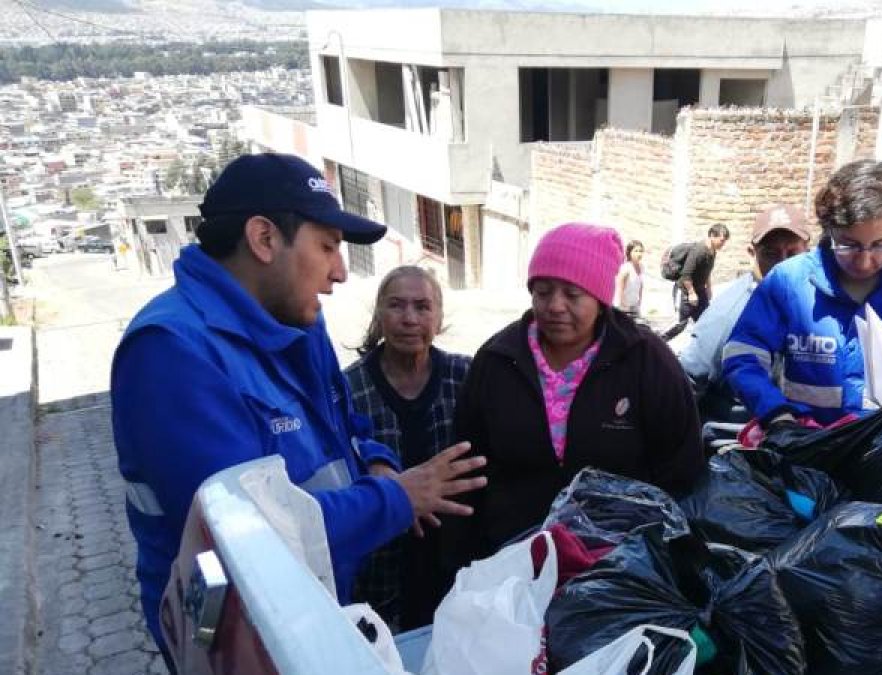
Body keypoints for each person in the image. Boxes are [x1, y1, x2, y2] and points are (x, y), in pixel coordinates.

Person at [110, 153, 486, 667]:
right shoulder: (172, 352)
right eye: (328, 247)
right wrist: (397, 498)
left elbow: (344, 427)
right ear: (264, 239)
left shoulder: (298, 321)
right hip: (238, 633)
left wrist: (374, 461)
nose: (339, 272)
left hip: (319, 599)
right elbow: (249, 542)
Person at [448, 221, 705, 567]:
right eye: (542, 291)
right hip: (510, 564)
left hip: (617, 565)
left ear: (600, 299)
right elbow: (466, 470)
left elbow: (681, 468)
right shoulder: (497, 360)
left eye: (572, 294)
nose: (554, 306)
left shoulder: (645, 360)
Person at [723, 159, 882, 432]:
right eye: (848, 245)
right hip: (810, 445)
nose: (864, 262)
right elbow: (743, 354)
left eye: (880, 245)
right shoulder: (789, 282)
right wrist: (777, 415)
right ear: (828, 231)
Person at [344, 265, 472, 631]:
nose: (409, 318)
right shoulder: (348, 388)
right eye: (396, 306)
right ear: (379, 314)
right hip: (378, 561)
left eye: (422, 307)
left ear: (439, 316)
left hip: (452, 555)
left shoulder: (465, 376)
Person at [680, 204, 811, 423]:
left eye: (792, 254)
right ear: (752, 254)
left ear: (807, 252)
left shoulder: (814, 302)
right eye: (771, 254)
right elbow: (685, 383)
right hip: (738, 442)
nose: (783, 264)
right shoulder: (729, 313)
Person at [660, 223, 730, 341]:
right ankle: (657, 342)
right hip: (685, 292)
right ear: (712, 235)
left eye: (725, 241)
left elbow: (706, 272)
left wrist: (708, 288)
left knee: (705, 322)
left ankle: (699, 352)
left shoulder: (712, 252)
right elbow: (685, 275)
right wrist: (691, 293)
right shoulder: (699, 251)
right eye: (722, 240)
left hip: (700, 291)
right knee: (680, 324)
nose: (723, 244)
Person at [613, 239, 644, 318]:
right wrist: (623, 306)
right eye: (636, 251)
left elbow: (640, 286)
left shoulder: (641, 267)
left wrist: (639, 303)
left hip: (634, 306)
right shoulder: (626, 268)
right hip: (623, 308)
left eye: (641, 251)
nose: (639, 254)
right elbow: (620, 289)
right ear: (630, 253)